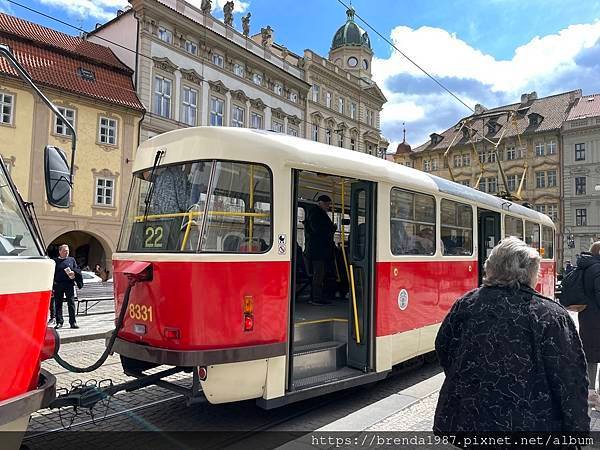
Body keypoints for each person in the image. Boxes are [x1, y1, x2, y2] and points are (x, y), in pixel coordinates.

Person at [434, 237, 589, 434]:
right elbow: (570, 377)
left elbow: (444, 347)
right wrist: (578, 431)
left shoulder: (466, 304)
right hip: (530, 425)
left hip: (469, 419)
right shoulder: (550, 315)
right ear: (531, 273)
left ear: (490, 268)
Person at [577, 242, 600, 408]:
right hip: (597, 317)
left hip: (586, 317)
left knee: (591, 356)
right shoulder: (597, 269)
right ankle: (596, 399)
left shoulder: (584, 267)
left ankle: (590, 391)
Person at [304, 195, 336, 306]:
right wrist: (332, 228)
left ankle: (319, 296)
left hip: (318, 250)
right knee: (318, 275)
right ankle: (315, 298)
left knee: (320, 274)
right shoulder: (316, 214)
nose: (328, 207)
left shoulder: (316, 214)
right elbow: (319, 230)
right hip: (317, 251)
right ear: (320, 203)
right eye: (326, 204)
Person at [52, 244, 80, 329]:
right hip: (58, 284)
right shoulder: (55, 261)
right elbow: (51, 273)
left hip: (69, 284)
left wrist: (74, 273)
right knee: (58, 304)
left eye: (67, 251)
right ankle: (59, 322)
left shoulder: (72, 260)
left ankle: (73, 322)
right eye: (64, 251)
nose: (66, 252)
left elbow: (77, 269)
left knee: (71, 303)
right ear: (60, 251)